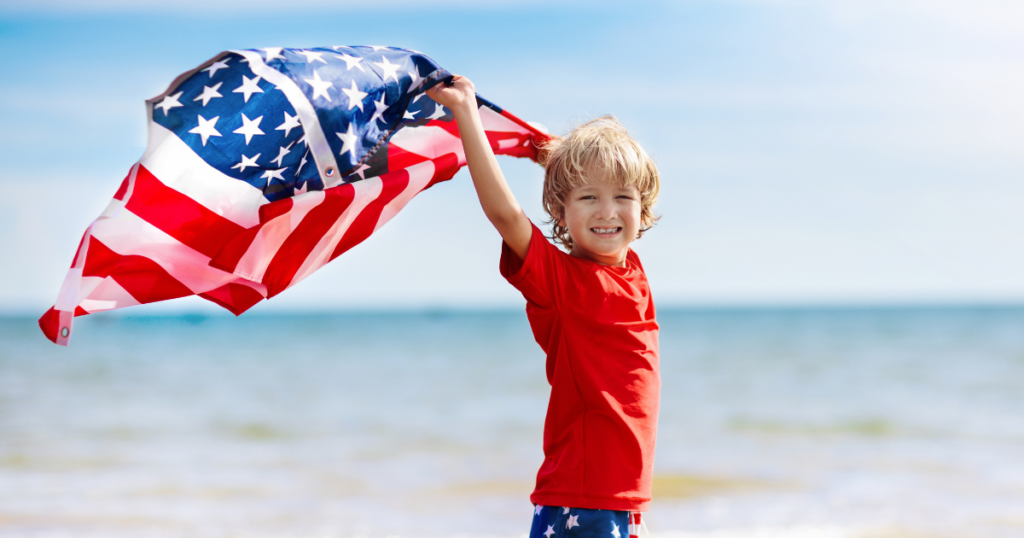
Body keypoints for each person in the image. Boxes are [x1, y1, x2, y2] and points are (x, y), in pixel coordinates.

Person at [427, 76, 660, 538]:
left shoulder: (628, 267)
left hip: (622, 502)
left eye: (622, 199)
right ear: (560, 212)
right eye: (589, 199)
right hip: (581, 501)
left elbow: (592, 180)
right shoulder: (563, 283)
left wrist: (547, 154)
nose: (607, 212)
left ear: (643, 207)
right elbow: (506, 216)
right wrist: (467, 114)